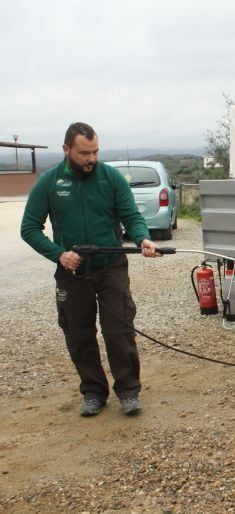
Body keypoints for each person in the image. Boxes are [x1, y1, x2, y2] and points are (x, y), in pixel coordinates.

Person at [20, 122, 161, 417]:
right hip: (72, 271)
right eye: (85, 153)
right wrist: (59, 255)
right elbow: (29, 229)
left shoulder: (110, 178)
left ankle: (129, 391)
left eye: (95, 151)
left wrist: (142, 238)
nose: (91, 158)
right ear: (67, 150)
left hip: (110, 266)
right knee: (78, 333)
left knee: (119, 329)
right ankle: (94, 392)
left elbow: (131, 215)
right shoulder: (49, 183)